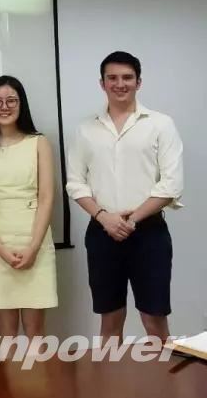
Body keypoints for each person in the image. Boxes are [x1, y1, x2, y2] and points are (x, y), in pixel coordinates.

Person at [66, 51, 183, 343]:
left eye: (127, 78)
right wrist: (104, 217)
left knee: (155, 321)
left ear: (138, 82)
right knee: (110, 321)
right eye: (113, 78)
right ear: (102, 83)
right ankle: (111, 375)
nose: (120, 84)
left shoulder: (161, 124)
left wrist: (132, 220)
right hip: (102, 232)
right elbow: (75, 183)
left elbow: (171, 184)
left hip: (149, 233)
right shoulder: (86, 129)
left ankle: (161, 375)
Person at [0, 75, 57, 339]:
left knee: (35, 332)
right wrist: (1, 250)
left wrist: (32, 248)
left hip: (35, 242)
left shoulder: (39, 142)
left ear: (22, 104)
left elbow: (46, 198)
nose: (4, 106)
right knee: (5, 334)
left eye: (11, 100)